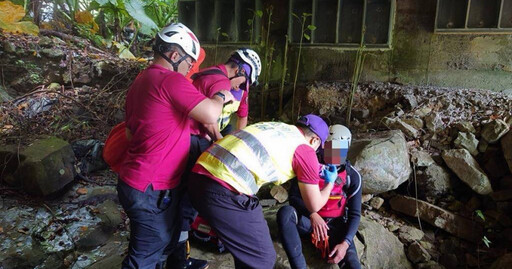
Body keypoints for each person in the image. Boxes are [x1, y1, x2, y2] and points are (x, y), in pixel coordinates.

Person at [116, 22, 233, 269]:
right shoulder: (171, 81)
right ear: (174, 55)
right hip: (149, 186)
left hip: (137, 182)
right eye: (189, 63)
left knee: (161, 242)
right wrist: (222, 94)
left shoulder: (141, 81)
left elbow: (129, 132)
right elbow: (211, 114)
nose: (191, 69)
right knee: (145, 256)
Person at [188, 114, 339, 269]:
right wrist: (330, 182)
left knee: (249, 253)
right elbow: (314, 205)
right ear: (315, 140)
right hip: (224, 187)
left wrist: (312, 170)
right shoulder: (306, 150)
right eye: (317, 148)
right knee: (262, 258)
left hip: (198, 174)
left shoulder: (277, 127)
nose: (315, 152)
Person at [176, 48, 262, 261]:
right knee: (188, 196)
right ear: (239, 69)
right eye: (242, 82)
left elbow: (242, 114)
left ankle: (182, 243)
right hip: (191, 138)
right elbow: (207, 119)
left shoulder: (233, 85)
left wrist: (238, 143)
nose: (241, 87)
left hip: (203, 137)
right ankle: (180, 255)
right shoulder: (219, 81)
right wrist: (219, 143)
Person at [277, 124, 362, 269]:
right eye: (331, 148)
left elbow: (355, 214)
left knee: (353, 265)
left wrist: (345, 243)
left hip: (335, 226)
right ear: (323, 146)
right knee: (286, 213)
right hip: (309, 222)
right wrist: (312, 214)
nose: (335, 153)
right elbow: (294, 197)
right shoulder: (309, 164)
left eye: (340, 149)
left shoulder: (351, 176)